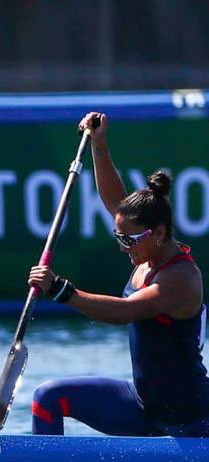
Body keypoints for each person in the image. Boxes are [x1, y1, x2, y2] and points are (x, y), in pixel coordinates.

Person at [28, 112, 209, 437]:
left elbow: (124, 312)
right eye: (118, 237)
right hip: (143, 406)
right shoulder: (145, 248)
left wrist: (60, 289)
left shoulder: (181, 278)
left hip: (191, 418)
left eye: (129, 240)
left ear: (159, 233)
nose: (123, 247)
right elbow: (115, 201)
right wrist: (98, 144)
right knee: (48, 398)